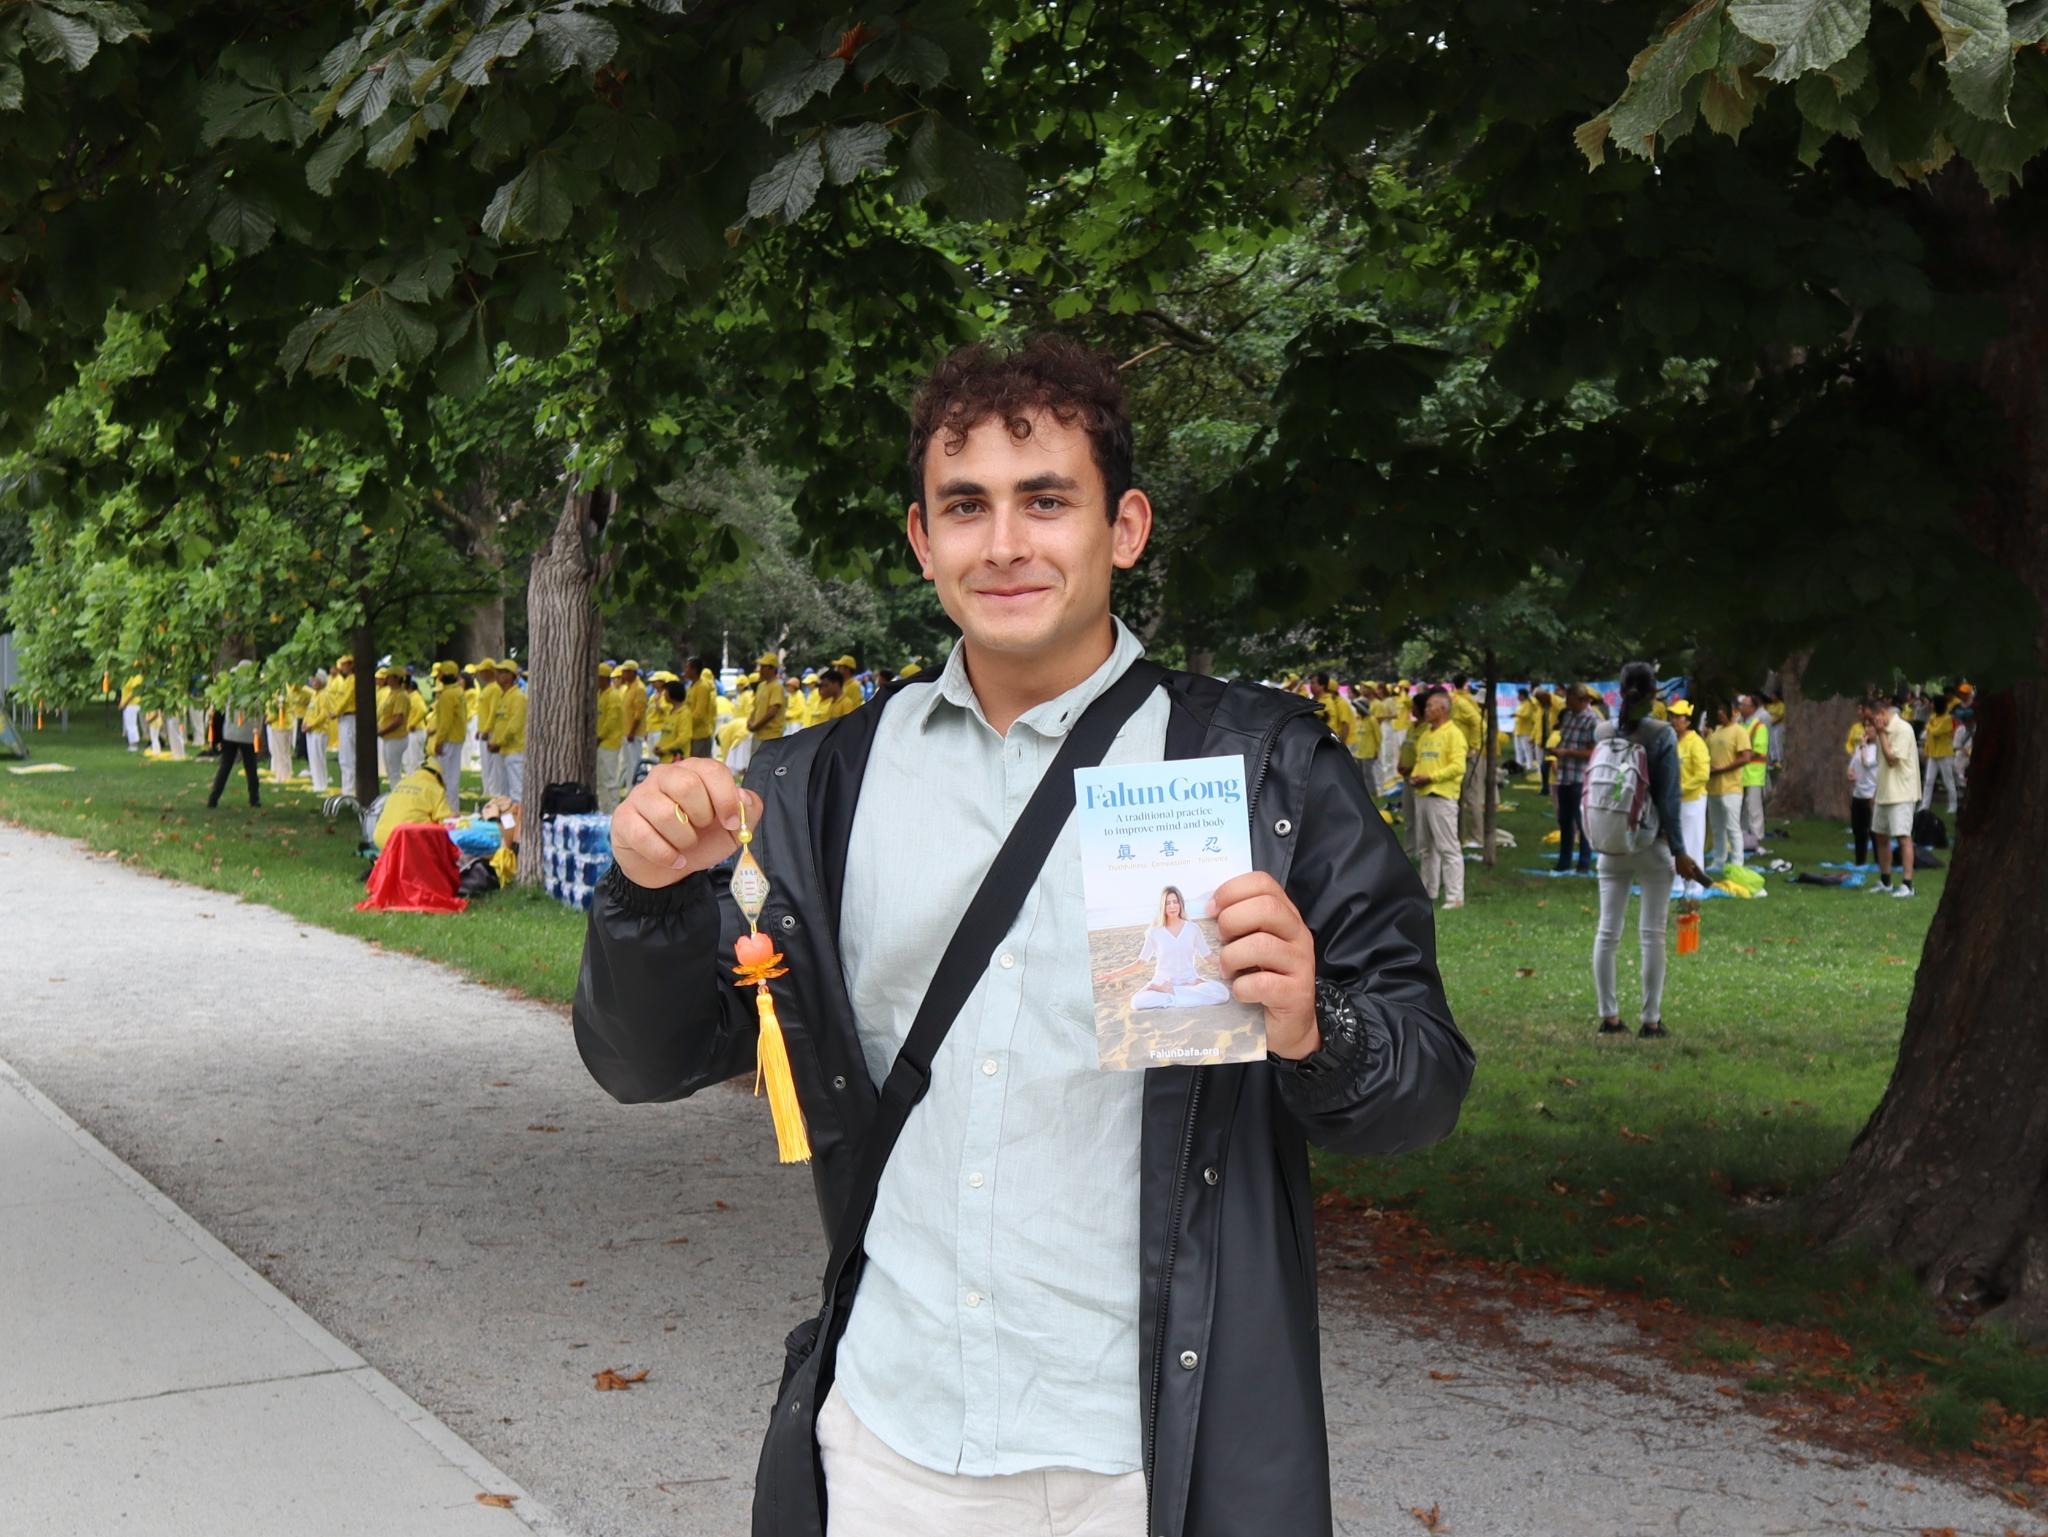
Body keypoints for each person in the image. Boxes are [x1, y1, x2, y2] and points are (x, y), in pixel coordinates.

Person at [572, 334, 1472, 1537]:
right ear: (920, 539)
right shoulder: (814, 786)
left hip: (1143, 1464)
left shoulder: (1265, 775)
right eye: (965, 506)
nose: (1003, 543)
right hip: (888, 1445)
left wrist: (1317, 1025)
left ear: (1124, 527)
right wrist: (646, 898)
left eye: (1045, 500)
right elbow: (646, 1059)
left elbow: (1422, 1088)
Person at [1589, 664, 1710, 1039]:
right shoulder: (1661, 734)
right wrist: (1679, 850)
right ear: (1654, 692)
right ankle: (1651, 1020)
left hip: (1611, 843)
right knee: (1652, 934)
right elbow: (1669, 798)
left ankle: (1609, 1017)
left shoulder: (1603, 731)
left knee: (1607, 931)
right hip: (1650, 843)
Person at [1092, 886, 1234, 1009]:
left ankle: (1174, 993)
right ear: (1163, 907)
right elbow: (1140, 963)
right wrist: (1113, 974)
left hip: (1189, 981)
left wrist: (1232, 967)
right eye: (1167, 903)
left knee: (1222, 994)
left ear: (1180, 904)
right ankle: (1181, 995)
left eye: (1175, 902)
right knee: (1137, 1002)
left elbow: (1209, 957)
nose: (1172, 906)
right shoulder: (1154, 932)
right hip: (1162, 983)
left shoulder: (1193, 929)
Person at [1408, 685, 1467, 909]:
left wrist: (1431, 777)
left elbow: (1458, 766)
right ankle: (1428, 891)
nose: (1426, 710)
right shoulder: (1425, 734)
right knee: (1426, 849)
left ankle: (1455, 896)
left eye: (1430, 706)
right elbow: (1420, 761)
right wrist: (1415, 776)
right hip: (1422, 794)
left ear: (1443, 709)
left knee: (1448, 847)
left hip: (1441, 795)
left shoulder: (1454, 734)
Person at [1868, 693, 1920, 898]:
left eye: (1873, 719)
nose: (1872, 724)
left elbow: (1891, 759)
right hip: (1885, 791)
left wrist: (1881, 733)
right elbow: (1881, 764)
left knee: (1903, 837)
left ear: (1882, 713)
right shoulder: (1881, 731)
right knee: (1880, 835)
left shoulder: (1903, 729)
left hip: (1902, 792)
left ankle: (1907, 884)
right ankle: (1885, 880)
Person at [1552, 684, 1599, 874]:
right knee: (1564, 820)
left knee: (1582, 822)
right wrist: (1558, 751)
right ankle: (1564, 861)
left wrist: (1568, 752)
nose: (1567, 704)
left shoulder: (1592, 721)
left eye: (1570, 700)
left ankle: (1584, 862)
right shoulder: (1568, 716)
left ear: (1581, 700)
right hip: (1564, 775)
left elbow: (1594, 752)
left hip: (1581, 777)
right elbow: (1565, 739)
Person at [1670, 699, 1711, 899]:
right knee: (1676, 842)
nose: (1674, 720)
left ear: (1687, 721)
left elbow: (1702, 774)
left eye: (1678, 717)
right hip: (1675, 800)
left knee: (1692, 841)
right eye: (1672, 716)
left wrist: (1682, 789)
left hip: (1692, 800)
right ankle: (1676, 883)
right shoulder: (1674, 741)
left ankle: (1695, 886)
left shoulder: (1696, 743)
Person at [1705, 700, 1748, 869]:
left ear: (1734, 711)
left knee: (1732, 827)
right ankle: (1719, 860)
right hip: (1713, 787)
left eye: (1724, 710)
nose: (1720, 713)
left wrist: (1722, 769)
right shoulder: (1714, 733)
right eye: (1719, 710)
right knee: (1717, 827)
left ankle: (1737, 862)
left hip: (1731, 787)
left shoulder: (1739, 731)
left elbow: (1745, 757)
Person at [372, 761, 454, 849]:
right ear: (438, 775)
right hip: (407, 841)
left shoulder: (402, 783)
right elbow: (446, 821)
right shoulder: (435, 788)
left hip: (382, 838)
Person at [207, 688, 262, 810]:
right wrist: (258, 731)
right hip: (248, 734)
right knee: (251, 767)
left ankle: (213, 798)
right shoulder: (254, 693)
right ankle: (254, 799)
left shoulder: (228, 692)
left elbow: (220, 711)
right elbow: (259, 713)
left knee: (225, 766)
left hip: (229, 733)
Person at [1448, 674, 1485, 846]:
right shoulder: (1458, 700)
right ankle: (1459, 836)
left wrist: (1474, 746)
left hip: (1468, 754)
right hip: (1457, 753)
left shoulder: (1462, 702)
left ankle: (1478, 837)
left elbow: (1479, 723)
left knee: (1471, 796)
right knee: (1458, 797)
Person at [487, 660, 527, 802]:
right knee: (504, 794)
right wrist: (494, 741)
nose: (497, 675)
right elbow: (500, 723)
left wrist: (499, 742)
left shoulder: (518, 698)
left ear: (511, 676)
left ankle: (518, 816)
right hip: (503, 751)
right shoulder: (503, 697)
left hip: (515, 751)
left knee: (517, 792)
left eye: (502, 672)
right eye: (497, 672)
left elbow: (514, 726)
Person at [428, 661, 466, 802]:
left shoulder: (447, 695)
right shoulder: (458, 691)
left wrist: (439, 741)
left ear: (446, 674)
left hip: (448, 739)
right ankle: (453, 806)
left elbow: (445, 721)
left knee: (445, 776)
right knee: (453, 776)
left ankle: (447, 807)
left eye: (440, 673)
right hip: (457, 737)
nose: (438, 676)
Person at [1847, 701, 1878, 867]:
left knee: (1873, 830)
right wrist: (1850, 773)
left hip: (1871, 793)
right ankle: (1860, 861)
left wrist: (1864, 746)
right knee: (1858, 830)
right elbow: (1853, 764)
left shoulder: (1878, 748)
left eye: (1870, 726)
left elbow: (1867, 763)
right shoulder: (1860, 747)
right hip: (1857, 793)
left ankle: (1879, 861)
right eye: (1865, 726)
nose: (1867, 729)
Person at [1739, 692, 1771, 856]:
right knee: (1743, 810)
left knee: (1754, 809)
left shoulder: (1759, 726)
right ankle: (1744, 840)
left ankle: (1757, 841)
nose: (1741, 707)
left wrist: (1741, 757)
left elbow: (1759, 750)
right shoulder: (1740, 725)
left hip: (1754, 774)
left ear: (1752, 708)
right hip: (1741, 773)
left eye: (1744, 705)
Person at [595, 661, 626, 812]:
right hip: (600, 743)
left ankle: (613, 810)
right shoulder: (600, 694)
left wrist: (600, 736)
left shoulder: (613, 696)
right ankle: (603, 808)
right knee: (600, 779)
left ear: (603, 678)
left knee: (609, 779)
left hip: (609, 743)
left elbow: (611, 721)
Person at [1920, 693, 1959, 813]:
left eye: (1933, 703)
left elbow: (1935, 732)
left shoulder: (1948, 719)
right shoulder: (1933, 717)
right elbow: (1929, 735)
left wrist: (1929, 727)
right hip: (1933, 754)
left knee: (1948, 781)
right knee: (1928, 781)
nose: (1931, 705)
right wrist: (1927, 751)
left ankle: (1953, 805)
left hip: (1945, 754)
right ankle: (1924, 806)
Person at [615, 660, 646, 799]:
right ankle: (628, 791)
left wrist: (632, 731)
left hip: (633, 734)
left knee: (634, 763)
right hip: (625, 731)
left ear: (632, 672)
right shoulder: (627, 688)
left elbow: (639, 713)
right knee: (626, 763)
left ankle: (633, 793)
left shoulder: (639, 688)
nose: (622, 675)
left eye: (625, 672)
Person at [375, 667, 410, 789]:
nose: (386, 679)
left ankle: (397, 795)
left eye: (389, 677)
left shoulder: (401, 696)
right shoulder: (392, 693)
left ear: (397, 678)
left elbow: (398, 719)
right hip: (388, 737)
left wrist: (382, 731)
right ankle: (393, 793)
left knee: (394, 771)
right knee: (390, 770)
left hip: (396, 737)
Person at [473, 660, 503, 800]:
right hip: (484, 730)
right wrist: (480, 729)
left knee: (492, 763)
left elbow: (493, 711)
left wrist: (487, 729)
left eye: (483, 671)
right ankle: (487, 789)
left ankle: (494, 790)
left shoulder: (495, 689)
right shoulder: (487, 688)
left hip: (490, 732)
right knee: (486, 763)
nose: (481, 674)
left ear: (490, 671)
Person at [685, 656, 719, 758]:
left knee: (700, 764)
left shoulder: (702, 687)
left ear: (694, 670)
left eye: (687, 668)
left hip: (700, 735)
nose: (685, 670)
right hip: (692, 733)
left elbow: (699, 713)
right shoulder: (692, 686)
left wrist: (685, 724)